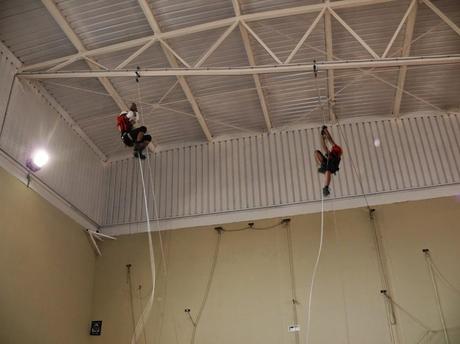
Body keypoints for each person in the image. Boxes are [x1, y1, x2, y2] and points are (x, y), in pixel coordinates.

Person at [314, 125, 342, 197]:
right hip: (330, 162)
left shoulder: (336, 150)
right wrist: (323, 134)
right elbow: (327, 143)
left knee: (327, 170)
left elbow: (329, 141)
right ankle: (326, 187)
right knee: (316, 153)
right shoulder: (334, 151)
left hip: (332, 164)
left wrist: (325, 131)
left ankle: (326, 188)